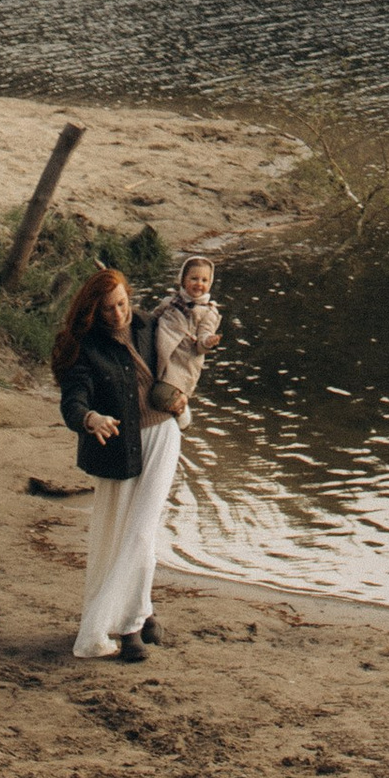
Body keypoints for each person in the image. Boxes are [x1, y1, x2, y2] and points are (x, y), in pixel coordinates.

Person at [52, 266, 179, 664]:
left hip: (162, 436)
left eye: (122, 304)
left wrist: (182, 396)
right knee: (118, 536)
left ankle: (130, 627)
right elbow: (73, 400)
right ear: (94, 310)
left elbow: (185, 347)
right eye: (108, 309)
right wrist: (90, 419)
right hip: (118, 448)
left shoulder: (147, 325)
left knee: (140, 532)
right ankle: (142, 614)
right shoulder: (85, 347)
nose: (118, 314)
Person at [132, 256, 224, 649]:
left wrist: (206, 343)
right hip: (162, 354)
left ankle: (180, 411)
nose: (199, 285)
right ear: (183, 279)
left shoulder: (208, 312)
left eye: (204, 280)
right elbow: (152, 320)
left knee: (165, 394)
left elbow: (203, 338)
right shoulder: (170, 304)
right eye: (193, 279)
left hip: (183, 364)